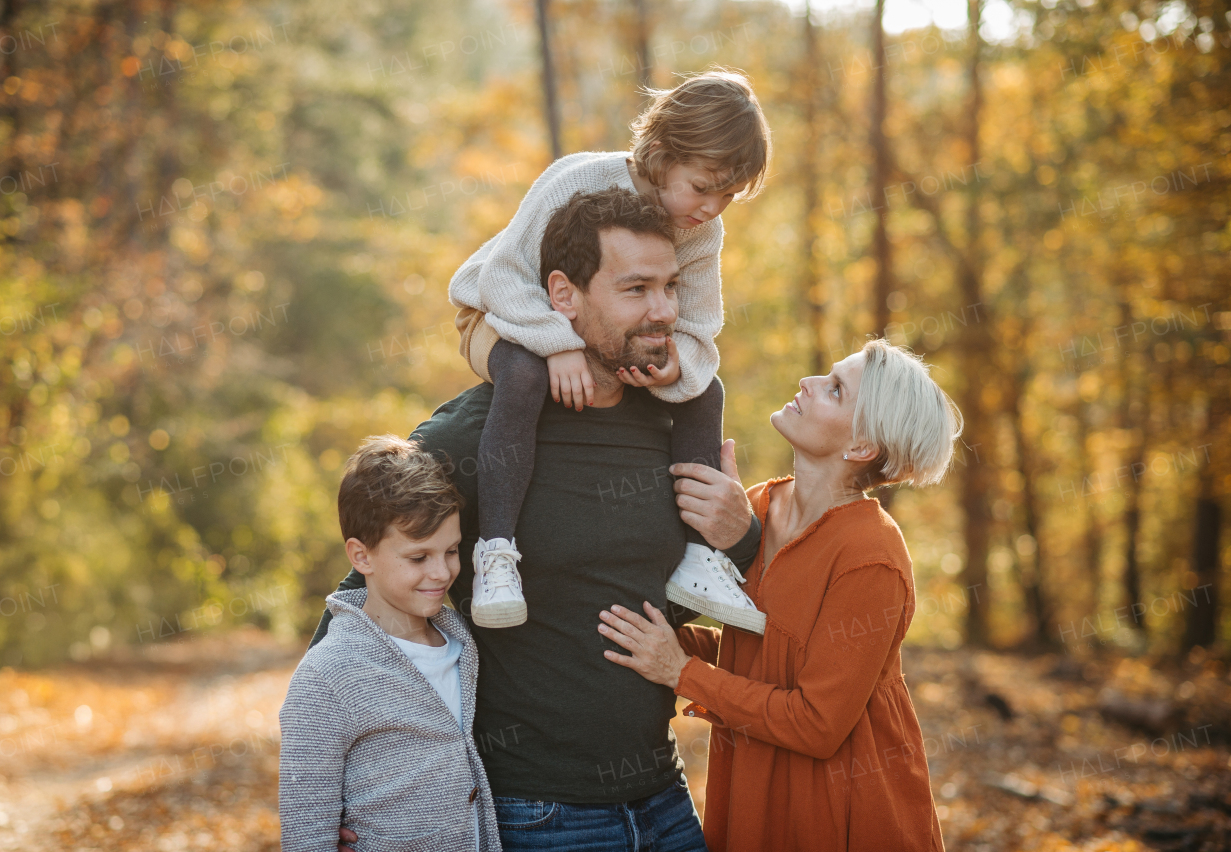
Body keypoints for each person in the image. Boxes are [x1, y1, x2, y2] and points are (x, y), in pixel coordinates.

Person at [314, 188, 761, 852]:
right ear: (564, 294)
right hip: (538, 816)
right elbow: (365, 601)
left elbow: (692, 596)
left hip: (665, 802)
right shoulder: (478, 435)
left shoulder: (675, 420)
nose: (665, 310)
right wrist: (349, 800)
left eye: (671, 286)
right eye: (636, 289)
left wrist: (740, 533)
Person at [597, 339, 961, 851]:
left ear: (860, 448)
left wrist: (681, 671)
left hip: (841, 807)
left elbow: (817, 723)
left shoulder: (871, 556)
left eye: (834, 390)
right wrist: (660, 636)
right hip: (754, 780)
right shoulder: (756, 508)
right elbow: (760, 646)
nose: (808, 384)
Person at [449, 68, 772, 632]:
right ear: (661, 150)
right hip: (499, 313)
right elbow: (504, 277)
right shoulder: (577, 180)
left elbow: (698, 327)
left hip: (595, 331)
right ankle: (497, 554)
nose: (712, 207)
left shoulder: (701, 232)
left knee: (705, 387)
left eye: (728, 196)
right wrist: (558, 345)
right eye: (702, 187)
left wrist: (678, 365)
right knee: (524, 376)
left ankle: (701, 556)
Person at [280, 435, 501, 852]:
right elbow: (305, 828)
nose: (441, 572)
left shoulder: (464, 643)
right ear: (361, 557)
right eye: (418, 558)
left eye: (451, 551)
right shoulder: (327, 675)